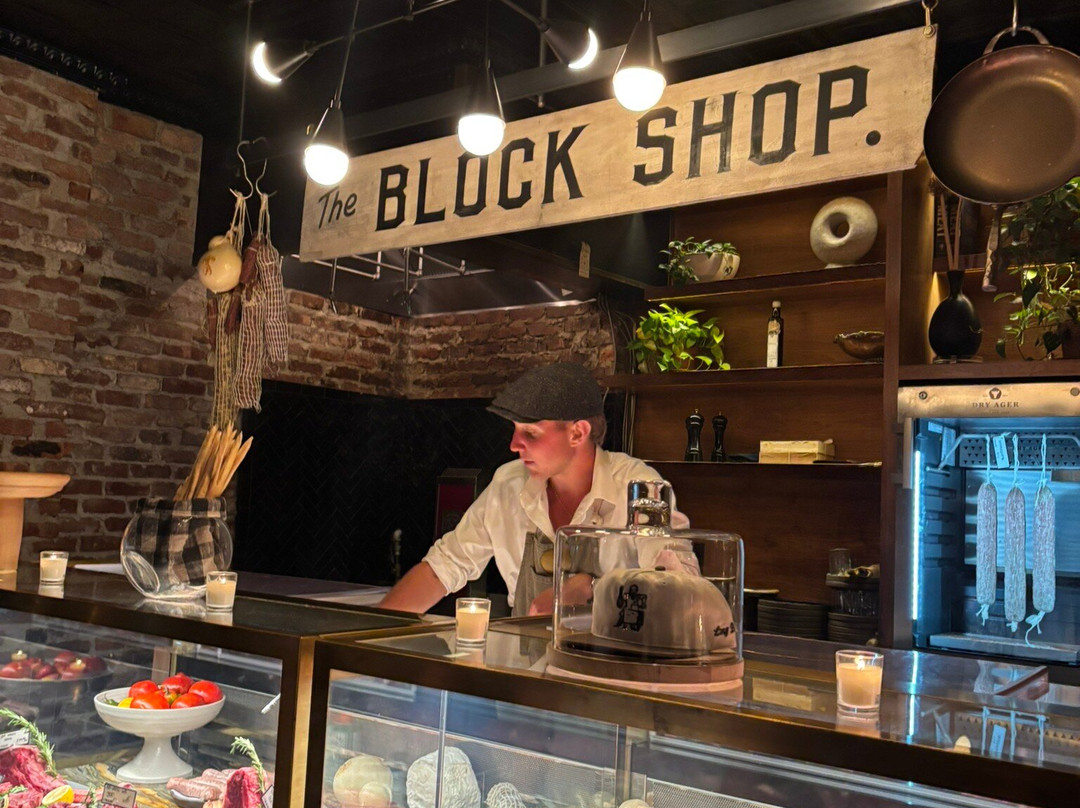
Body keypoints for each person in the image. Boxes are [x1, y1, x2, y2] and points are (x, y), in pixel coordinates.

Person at [378, 362, 686, 616]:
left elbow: (679, 585)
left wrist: (593, 587)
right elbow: (443, 567)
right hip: (524, 664)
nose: (514, 445)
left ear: (577, 433)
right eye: (514, 431)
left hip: (611, 666)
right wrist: (373, 636)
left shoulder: (640, 487)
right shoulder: (508, 484)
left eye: (531, 433)